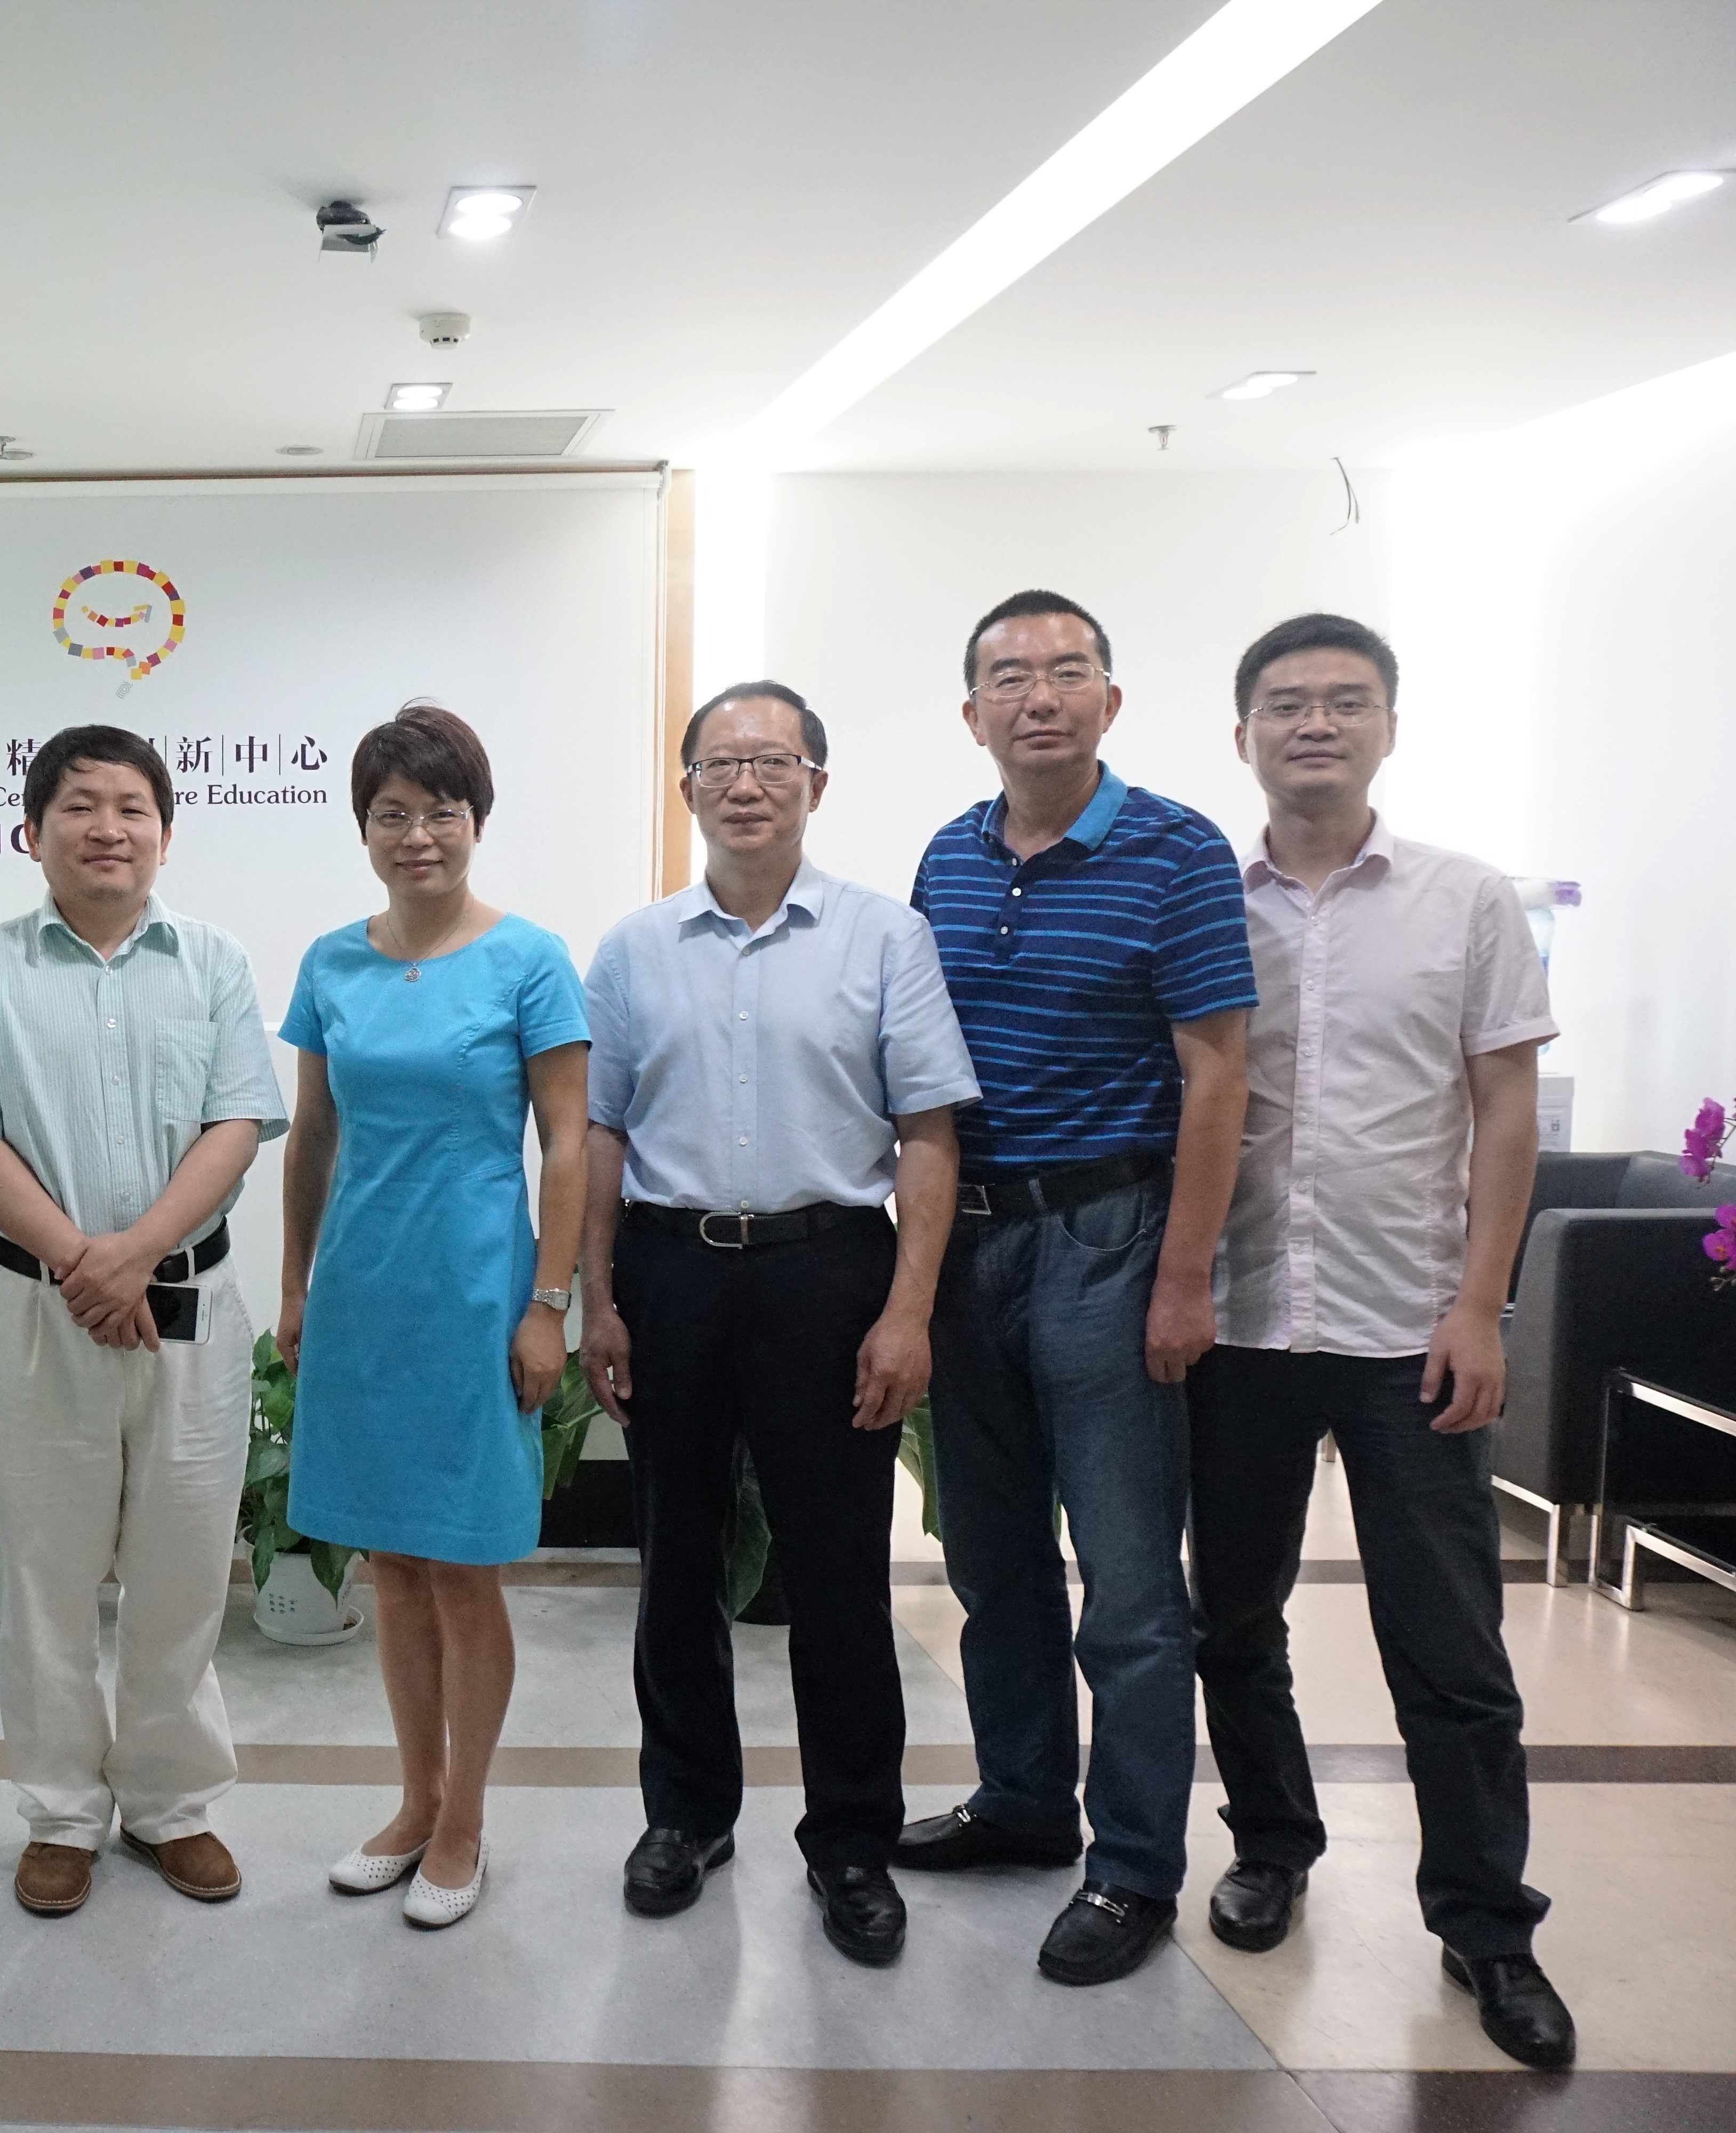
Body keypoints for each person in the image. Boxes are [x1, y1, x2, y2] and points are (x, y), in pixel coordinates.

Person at [1190, 613, 1573, 2066]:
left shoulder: (1466, 900)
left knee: (1451, 1647)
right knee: (1235, 1618)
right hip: (1240, 1323)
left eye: (1346, 703)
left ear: (1390, 729)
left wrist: (1481, 1305)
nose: (1316, 725)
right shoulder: (1201, 899)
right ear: (1243, 735)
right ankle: (1271, 1844)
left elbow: (1506, 1108)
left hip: (1410, 1329)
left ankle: (1486, 1923)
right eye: (1287, 704)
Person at [577, 684, 974, 1968]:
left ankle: (851, 1839)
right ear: (687, 785)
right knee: (676, 1561)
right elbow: (601, 1133)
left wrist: (907, 1309)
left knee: (838, 1570)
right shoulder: (636, 948)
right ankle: (686, 1816)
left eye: (774, 760)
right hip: (672, 1268)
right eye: (721, 762)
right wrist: (597, 1296)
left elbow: (928, 1133)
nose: (746, 782)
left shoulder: (885, 936)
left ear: (817, 782)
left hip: (829, 1270)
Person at [897, 591, 1257, 1985]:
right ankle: (1024, 1802)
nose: (1037, 696)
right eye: (1009, 676)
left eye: (1066, 672)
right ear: (972, 712)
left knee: (1127, 1584)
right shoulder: (949, 855)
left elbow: (1217, 1075)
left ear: (1111, 699)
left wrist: (1183, 1277)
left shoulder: (1178, 849)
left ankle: (1134, 1868)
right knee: (992, 1563)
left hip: (1111, 1237)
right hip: (970, 1243)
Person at [0, 726, 288, 1918]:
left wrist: (134, 1256)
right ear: (33, 832)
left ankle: (172, 1801)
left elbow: (238, 1124)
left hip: (192, 1309)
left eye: (132, 807)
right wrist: (88, 1266)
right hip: (38, 1309)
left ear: (166, 833)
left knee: (185, 1564)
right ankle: (63, 1812)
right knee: (48, 1573)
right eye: (79, 806)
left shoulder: (214, 962)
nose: (107, 828)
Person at [277, 702, 589, 1931]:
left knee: (463, 1565)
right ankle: (413, 1800)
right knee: (393, 1565)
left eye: (441, 811)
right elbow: (313, 1134)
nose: (418, 834)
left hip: (476, 1294)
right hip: (363, 1295)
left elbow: (567, 1143)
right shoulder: (330, 962)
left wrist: (549, 1303)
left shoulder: (530, 959)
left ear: (477, 821)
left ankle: (465, 1817)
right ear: (363, 828)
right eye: (392, 813)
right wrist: (297, 1283)